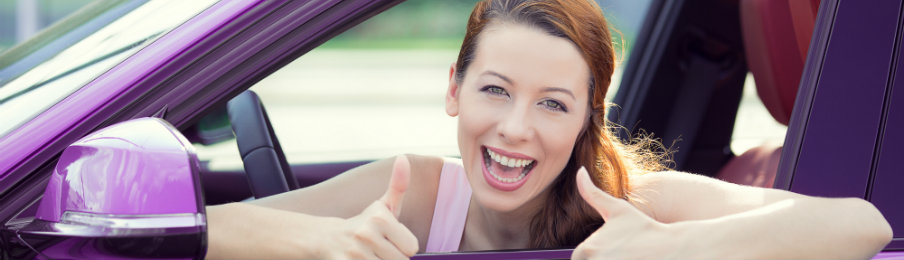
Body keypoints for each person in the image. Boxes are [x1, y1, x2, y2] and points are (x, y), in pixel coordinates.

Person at [204, 0, 892, 258]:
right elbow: (208, 229)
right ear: (454, 89)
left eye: (553, 105)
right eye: (495, 91)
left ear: (590, 116)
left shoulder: (632, 203)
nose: (514, 130)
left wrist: (674, 250)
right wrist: (323, 238)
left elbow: (864, 227)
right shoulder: (410, 192)